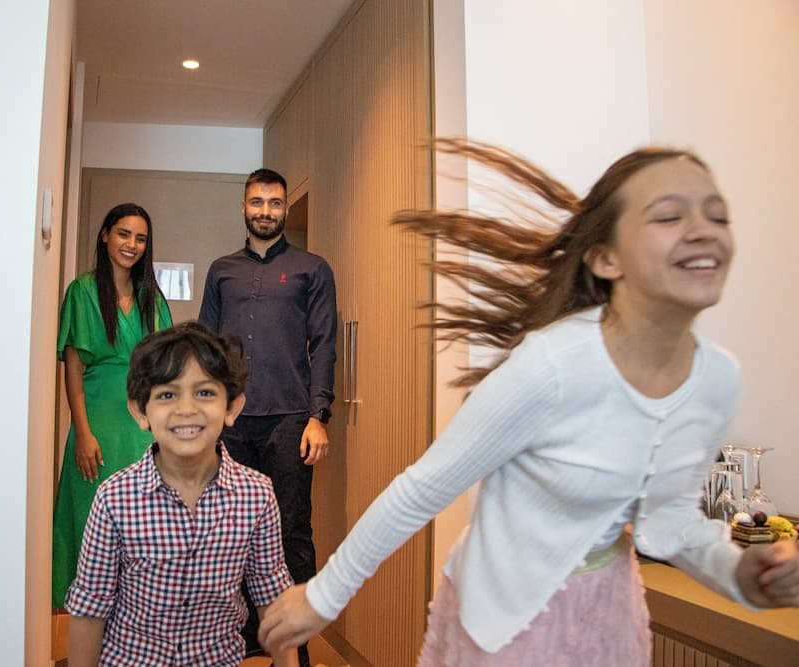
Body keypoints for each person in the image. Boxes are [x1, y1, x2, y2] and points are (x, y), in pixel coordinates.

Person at [259, 141, 799, 664]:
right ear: (606, 258)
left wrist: (739, 574)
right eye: (669, 216)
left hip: (610, 616)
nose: (703, 230)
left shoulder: (716, 378)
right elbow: (421, 489)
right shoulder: (553, 365)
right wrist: (322, 595)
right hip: (504, 619)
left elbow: (670, 523)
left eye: (717, 215)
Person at [65, 321, 299, 667]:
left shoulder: (257, 496)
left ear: (232, 407)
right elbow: (90, 609)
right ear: (140, 411)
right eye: (167, 395)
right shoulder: (114, 499)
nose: (186, 409)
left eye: (204, 393)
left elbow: (273, 600)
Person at [199, 168, 337, 665]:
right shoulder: (222, 271)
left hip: (290, 421)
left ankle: (295, 646)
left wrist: (318, 415)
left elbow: (325, 344)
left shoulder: (311, 269)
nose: (265, 211)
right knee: (229, 530)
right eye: (257, 202)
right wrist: (207, 411)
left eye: (274, 203)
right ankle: (241, 640)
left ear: (284, 209)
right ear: (244, 206)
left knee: (292, 530)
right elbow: (207, 348)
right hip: (232, 423)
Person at [52, 202, 173, 608]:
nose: (131, 244)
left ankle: (139, 612)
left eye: (140, 238)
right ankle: (85, 613)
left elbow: (166, 370)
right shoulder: (82, 292)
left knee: (142, 521)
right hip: (97, 422)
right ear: (105, 235)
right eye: (123, 234)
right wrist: (83, 433)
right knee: (90, 517)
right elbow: (73, 369)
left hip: (142, 427)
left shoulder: (152, 298)